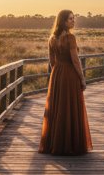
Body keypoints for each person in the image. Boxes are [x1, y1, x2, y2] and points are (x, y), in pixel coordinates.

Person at [39, 9, 93, 155]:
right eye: (70, 19)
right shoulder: (70, 38)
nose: (73, 21)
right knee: (69, 106)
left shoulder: (52, 38)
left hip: (57, 75)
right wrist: (82, 79)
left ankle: (55, 143)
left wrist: (57, 73)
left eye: (73, 18)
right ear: (63, 21)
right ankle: (70, 144)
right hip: (69, 75)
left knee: (58, 107)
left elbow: (52, 61)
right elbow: (75, 61)